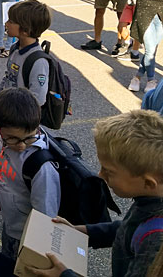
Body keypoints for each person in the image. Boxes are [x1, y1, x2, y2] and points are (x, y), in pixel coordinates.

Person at [29, 110, 163, 277]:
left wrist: (65, 275)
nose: (100, 175)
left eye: (109, 171)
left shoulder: (155, 241)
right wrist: (81, 231)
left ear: (148, 182)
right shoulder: (152, 201)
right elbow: (128, 227)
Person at [0, 87, 60, 260]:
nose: (21, 145)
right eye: (13, 138)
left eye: (29, 137)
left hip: (25, 235)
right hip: (11, 224)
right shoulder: (3, 139)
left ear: (37, 127)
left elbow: (45, 215)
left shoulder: (41, 167)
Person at [0, 0, 52, 106]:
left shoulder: (38, 61)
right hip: (8, 110)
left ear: (25, 30)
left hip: (21, 117)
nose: (6, 23)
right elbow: (9, 76)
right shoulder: (15, 49)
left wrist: (16, 115)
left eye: (11, 21)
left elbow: (38, 99)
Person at [128, 0, 163, 93]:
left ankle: (136, 77)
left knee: (152, 51)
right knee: (149, 49)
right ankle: (151, 80)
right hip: (144, 13)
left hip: (161, 14)